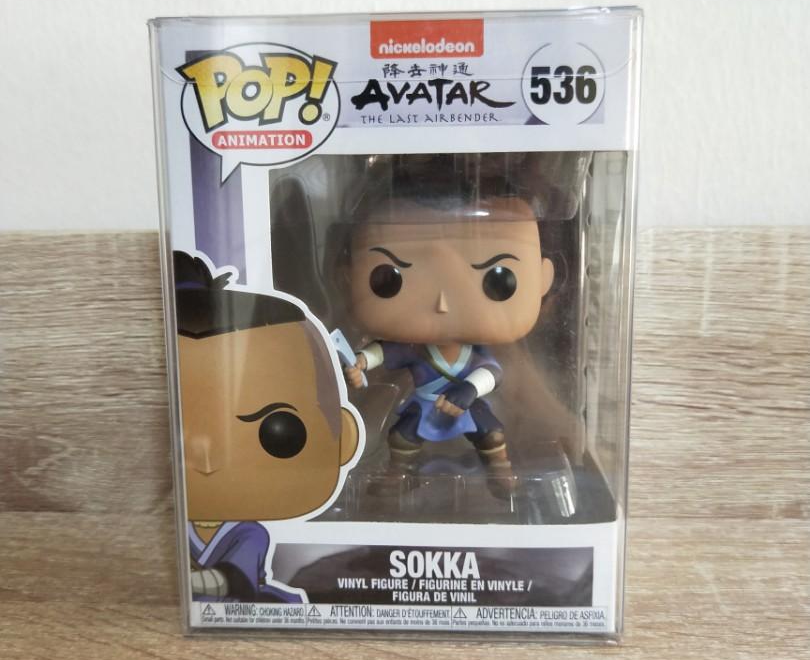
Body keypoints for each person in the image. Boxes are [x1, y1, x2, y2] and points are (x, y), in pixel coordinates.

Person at [342, 180, 553, 500]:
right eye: (389, 280)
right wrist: (360, 361)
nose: (442, 304)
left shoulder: (474, 353)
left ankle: (500, 470)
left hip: (465, 402)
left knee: (491, 432)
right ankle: (398, 474)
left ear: (543, 279)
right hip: (425, 402)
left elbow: (491, 373)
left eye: (499, 281)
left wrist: (468, 390)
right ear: (348, 277)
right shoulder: (414, 348)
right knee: (402, 436)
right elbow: (383, 351)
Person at [174, 251, 360, 601]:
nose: (206, 461)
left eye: (278, 434)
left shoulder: (249, 534)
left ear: (344, 437)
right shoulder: (166, 527)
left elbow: (231, 579)